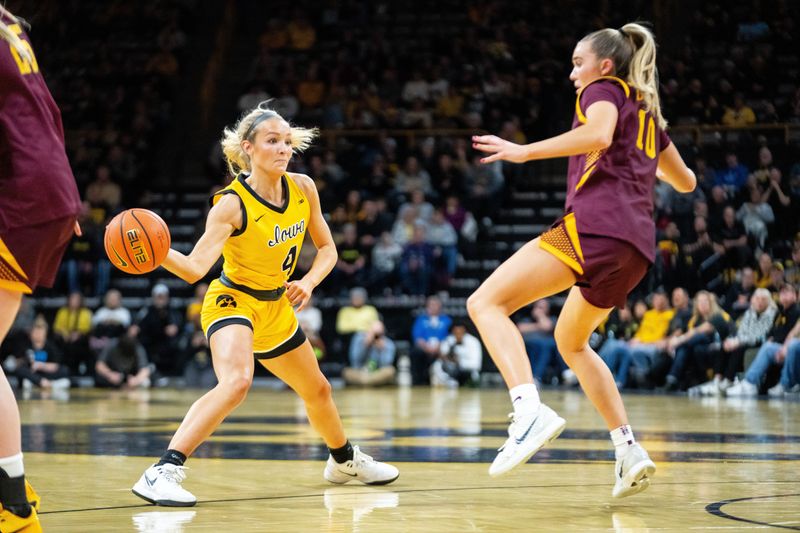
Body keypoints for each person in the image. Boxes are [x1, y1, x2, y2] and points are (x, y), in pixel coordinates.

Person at [131, 103, 398, 507]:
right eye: (272, 141)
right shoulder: (231, 204)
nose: (283, 149)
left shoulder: (303, 188)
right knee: (237, 381)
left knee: (319, 390)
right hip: (231, 301)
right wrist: (157, 250)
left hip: (276, 307)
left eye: (287, 141)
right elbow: (194, 269)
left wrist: (308, 282)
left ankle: (343, 460)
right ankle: (163, 470)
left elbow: (328, 249)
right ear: (248, 148)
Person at [469, 23, 695, 497]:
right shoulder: (649, 115)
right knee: (571, 342)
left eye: (578, 63)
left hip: (594, 228)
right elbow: (687, 182)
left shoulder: (603, 89)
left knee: (485, 304)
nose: (574, 74)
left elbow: (598, 133)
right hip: (635, 249)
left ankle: (528, 410)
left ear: (605, 65)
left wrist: (525, 151)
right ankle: (628, 447)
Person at [0, 7, 82, 531]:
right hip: (44, 192)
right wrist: (60, 193)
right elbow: (47, 113)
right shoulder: (11, 26)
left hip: (21, 198)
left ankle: (11, 502)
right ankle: (12, 491)